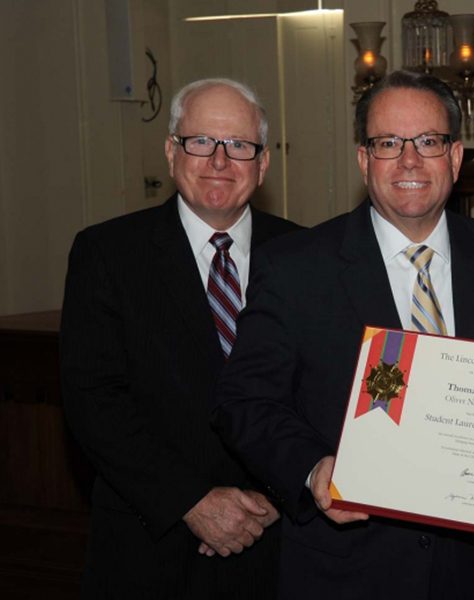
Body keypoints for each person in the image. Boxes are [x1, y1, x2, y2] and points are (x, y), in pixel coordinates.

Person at [210, 70, 474, 598]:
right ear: (363, 160)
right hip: (348, 572)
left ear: (455, 157)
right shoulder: (296, 267)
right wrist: (313, 470)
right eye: (388, 143)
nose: (409, 160)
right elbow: (244, 402)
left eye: (428, 142)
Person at [60, 78, 299, 599]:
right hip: (150, 546)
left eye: (239, 145)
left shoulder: (305, 254)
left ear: (262, 164)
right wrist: (193, 501)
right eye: (201, 141)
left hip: (278, 546)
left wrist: (280, 495)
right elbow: (94, 402)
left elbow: (325, 392)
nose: (219, 160)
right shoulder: (107, 254)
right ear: (172, 152)